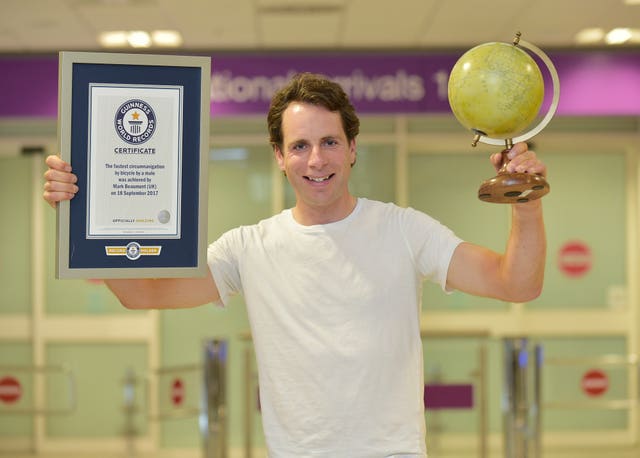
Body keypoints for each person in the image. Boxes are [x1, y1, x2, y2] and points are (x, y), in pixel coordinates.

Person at [43, 72, 546, 457]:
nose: (316, 160)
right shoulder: (249, 247)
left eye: (329, 142)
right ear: (280, 157)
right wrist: (82, 215)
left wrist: (526, 202)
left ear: (352, 149)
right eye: (299, 146)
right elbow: (142, 293)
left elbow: (516, 283)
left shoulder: (403, 229)